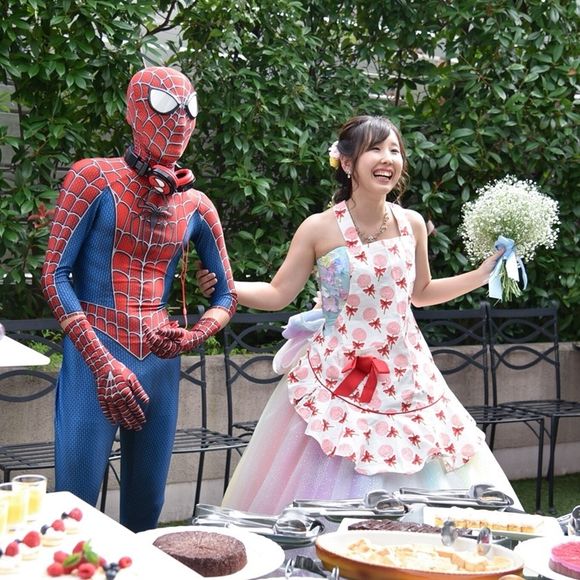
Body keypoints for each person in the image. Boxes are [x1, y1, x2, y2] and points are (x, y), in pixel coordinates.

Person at [194, 114, 520, 515]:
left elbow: (421, 294)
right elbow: (279, 293)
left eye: (395, 150)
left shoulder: (412, 224)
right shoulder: (318, 228)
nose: (388, 158)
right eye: (375, 149)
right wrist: (227, 287)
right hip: (338, 368)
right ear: (347, 163)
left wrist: (482, 274)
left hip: (407, 372)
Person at [40, 66, 237, 532]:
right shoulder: (92, 178)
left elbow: (227, 294)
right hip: (94, 353)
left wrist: (194, 335)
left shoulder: (196, 204)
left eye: (189, 109)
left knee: (147, 508)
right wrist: (101, 364)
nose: (180, 121)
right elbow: (54, 275)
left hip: (160, 361)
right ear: (133, 111)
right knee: (74, 506)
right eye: (164, 106)